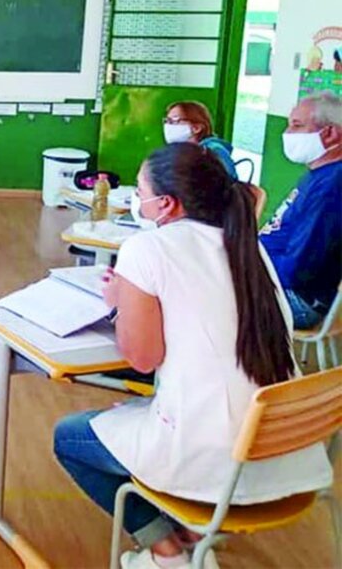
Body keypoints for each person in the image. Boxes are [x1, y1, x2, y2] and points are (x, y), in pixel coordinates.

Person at [53, 143, 331, 569]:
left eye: (141, 192)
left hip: (215, 458)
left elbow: (143, 359)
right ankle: (191, 532)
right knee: (135, 408)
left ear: (165, 204)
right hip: (287, 455)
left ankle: (168, 556)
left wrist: (118, 301)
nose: (137, 201)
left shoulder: (147, 250)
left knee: (69, 437)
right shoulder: (245, 246)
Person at [260, 91, 342, 330]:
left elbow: (297, 269)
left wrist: (247, 266)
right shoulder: (321, 174)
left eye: (296, 126)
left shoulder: (331, 189)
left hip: (297, 299)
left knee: (199, 296)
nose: (286, 134)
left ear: (329, 134)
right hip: (274, 278)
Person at [162, 101, 238, 178]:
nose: (168, 126)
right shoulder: (182, 151)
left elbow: (227, 185)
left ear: (196, 128)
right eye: (167, 121)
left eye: (174, 121)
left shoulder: (214, 151)